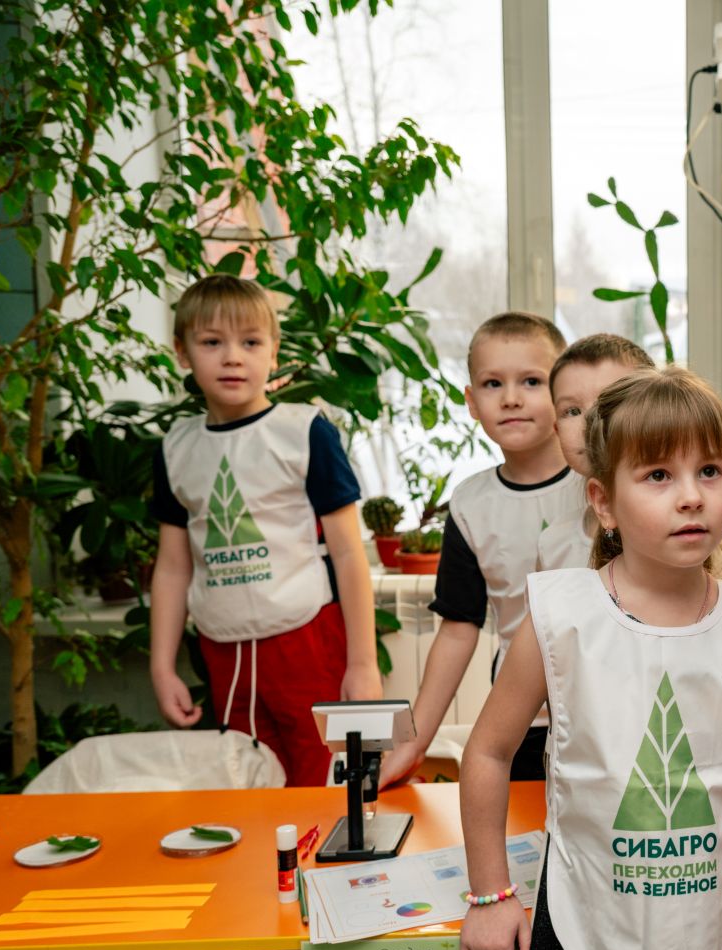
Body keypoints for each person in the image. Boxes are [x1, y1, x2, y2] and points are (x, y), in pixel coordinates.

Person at [458, 367, 722, 950]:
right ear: (603, 501)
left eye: (710, 470)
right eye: (658, 475)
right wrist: (489, 895)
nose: (690, 497)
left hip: (715, 933)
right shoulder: (561, 615)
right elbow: (488, 752)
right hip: (583, 928)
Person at [148, 274, 381, 788]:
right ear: (182, 353)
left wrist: (363, 663)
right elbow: (172, 567)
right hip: (223, 651)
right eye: (212, 342)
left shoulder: (304, 432)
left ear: (274, 353)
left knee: (323, 787)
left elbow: (348, 553)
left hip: (307, 640)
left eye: (251, 343)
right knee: (247, 784)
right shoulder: (175, 448)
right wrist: (162, 668)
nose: (233, 357)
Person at [380, 312, 586, 785]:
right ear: (471, 402)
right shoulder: (470, 503)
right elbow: (458, 629)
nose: (511, 398)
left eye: (531, 381)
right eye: (493, 384)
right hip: (524, 719)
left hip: (608, 710)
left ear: (562, 395)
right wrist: (415, 741)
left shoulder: (600, 484)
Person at [535, 333, 656, 571]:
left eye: (609, 403)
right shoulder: (552, 545)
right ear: (557, 430)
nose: (589, 423)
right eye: (572, 411)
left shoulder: (690, 531)